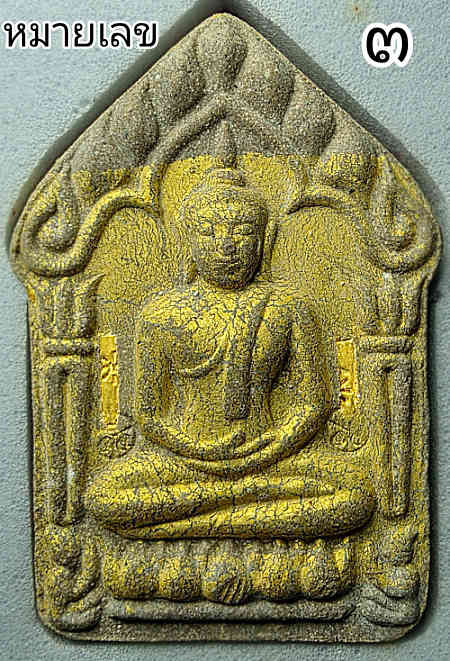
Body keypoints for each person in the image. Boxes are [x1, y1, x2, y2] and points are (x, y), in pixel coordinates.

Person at [85, 164, 375, 542]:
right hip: (188, 462)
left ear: (264, 241)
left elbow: (312, 404)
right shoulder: (161, 314)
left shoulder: (287, 308)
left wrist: (273, 447)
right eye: (209, 231)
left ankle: (189, 524)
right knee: (103, 497)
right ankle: (247, 517)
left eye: (242, 231)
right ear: (188, 242)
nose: (226, 244)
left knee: (355, 495)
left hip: (271, 459)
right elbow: (149, 415)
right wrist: (192, 449)